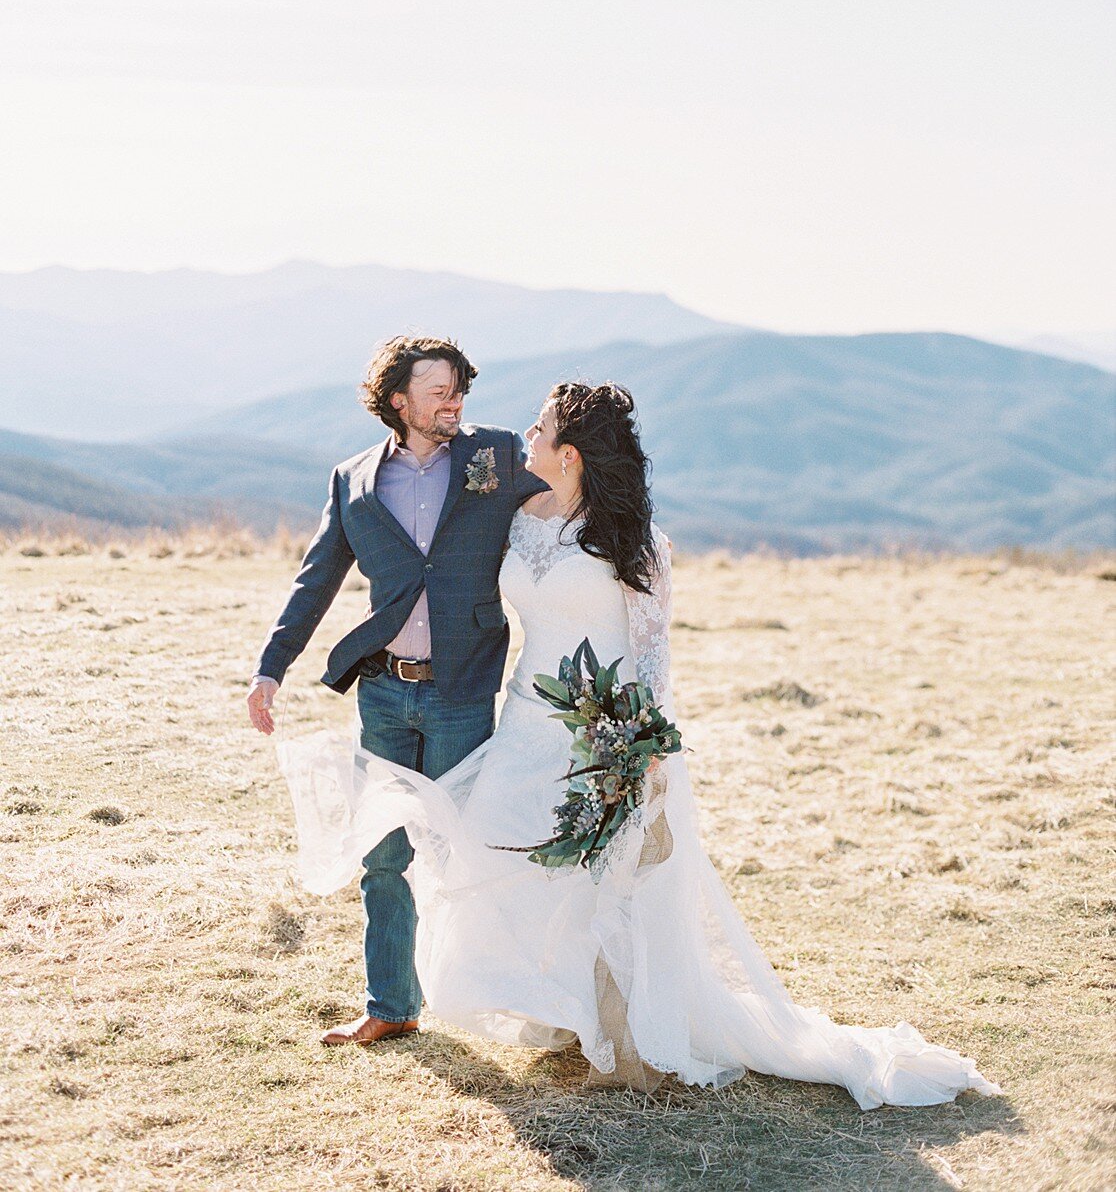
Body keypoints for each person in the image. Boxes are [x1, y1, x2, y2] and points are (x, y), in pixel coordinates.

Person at [274, 381, 1003, 1108]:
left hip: (606, 727)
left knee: (607, 883)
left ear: (570, 455)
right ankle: (558, 1010)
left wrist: (643, 749)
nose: (523, 434)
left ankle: (617, 1029)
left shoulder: (634, 541)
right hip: (528, 720)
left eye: (539, 428)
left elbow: (654, 655)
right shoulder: (519, 515)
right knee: (499, 856)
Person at [247, 335, 546, 1046]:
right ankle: (391, 1005)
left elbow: (568, 500)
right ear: (398, 401)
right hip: (382, 691)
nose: (455, 401)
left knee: (471, 848)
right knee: (384, 855)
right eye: (440, 389)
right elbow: (315, 578)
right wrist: (271, 667)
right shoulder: (352, 480)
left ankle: (508, 997)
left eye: (459, 389)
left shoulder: (495, 456)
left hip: (463, 688)